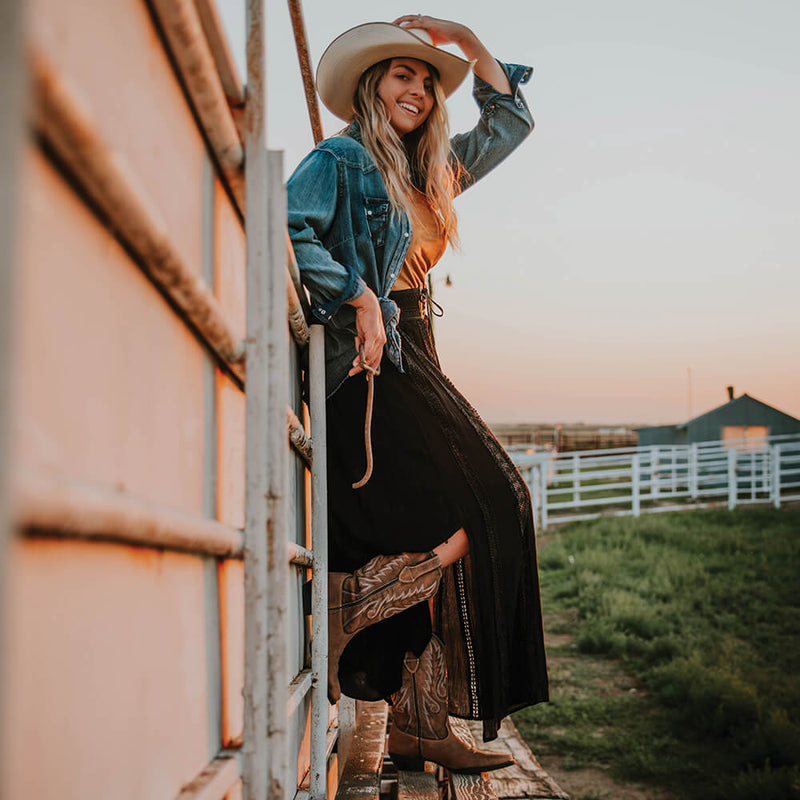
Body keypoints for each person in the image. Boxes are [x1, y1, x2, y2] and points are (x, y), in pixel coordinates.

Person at [288, 16, 548, 773]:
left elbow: (512, 120)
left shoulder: (429, 168)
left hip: (417, 349)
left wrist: (464, 39)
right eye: (402, 75)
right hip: (375, 360)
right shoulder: (342, 158)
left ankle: (417, 722)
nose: (418, 90)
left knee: (437, 527)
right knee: (495, 499)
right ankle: (348, 620)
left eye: (427, 81)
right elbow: (288, 221)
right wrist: (358, 294)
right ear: (372, 87)